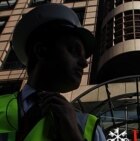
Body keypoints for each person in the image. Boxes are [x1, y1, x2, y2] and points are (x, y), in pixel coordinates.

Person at [0, 3, 106, 141]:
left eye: (84, 56)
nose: (84, 63)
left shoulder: (89, 126)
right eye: (74, 50)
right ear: (41, 50)